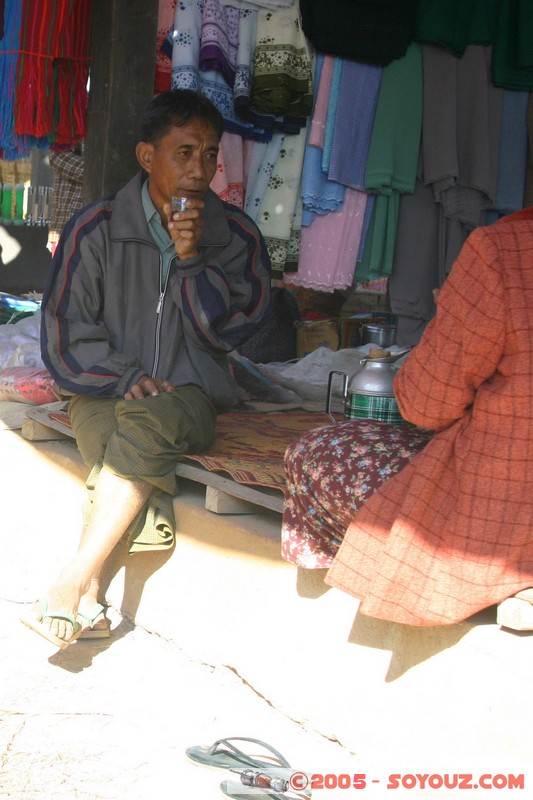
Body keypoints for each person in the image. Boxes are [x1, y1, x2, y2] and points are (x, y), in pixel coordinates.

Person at [21, 89, 271, 649]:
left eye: (210, 155)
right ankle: (88, 594)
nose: (199, 170)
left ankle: (73, 582)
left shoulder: (236, 236)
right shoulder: (95, 228)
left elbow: (228, 332)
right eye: (183, 152)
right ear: (146, 156)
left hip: (191, 395)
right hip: (103, 392)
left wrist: (192, 262)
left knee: (147, 427)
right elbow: (64, 332)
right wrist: (123, 375)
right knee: (121, 436)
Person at [283, 206, 533, 629]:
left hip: (503, 521)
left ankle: (352, 588)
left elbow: (426, 404)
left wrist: (446, 326)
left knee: (316, 452)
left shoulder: (505, 252)